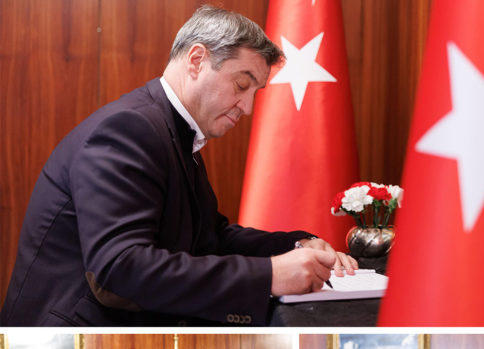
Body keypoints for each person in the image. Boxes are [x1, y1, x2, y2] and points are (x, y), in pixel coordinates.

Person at [0, 4, 356, 328]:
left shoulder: (174, 130)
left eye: (254, 92)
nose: (246, 108)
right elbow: (120, 267)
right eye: (241, 84)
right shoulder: (130, 130)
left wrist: (295, 245)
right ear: (197, 60)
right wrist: (269, 274)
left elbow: (209, 239)